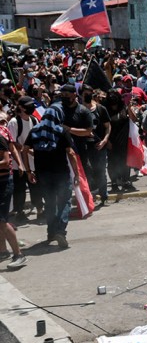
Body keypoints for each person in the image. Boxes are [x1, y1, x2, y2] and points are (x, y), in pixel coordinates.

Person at [23, 105, 79, 249]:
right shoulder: (61, 131)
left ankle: (51, 233)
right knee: (64, 201)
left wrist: (28, 170)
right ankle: (60, 231)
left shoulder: (35, 130)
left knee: (49, 203)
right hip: (61, 173)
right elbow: (71, 153)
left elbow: (24, 150)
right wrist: (77, 173)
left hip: (43, 174)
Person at [8, 96, 40, 222]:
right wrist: (27, 150)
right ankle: (20, 211)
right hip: (19, 163)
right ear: (20, 107)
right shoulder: (14, 122)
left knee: (36, 187)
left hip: (33, 161)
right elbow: (13, 142)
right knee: (20, 189)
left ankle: (39, 208)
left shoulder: (34, 120)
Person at [81, 85, 111, 205]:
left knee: (101, 171)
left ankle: (104, 196)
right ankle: (90, 196)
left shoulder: (100, 109)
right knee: (87, 172)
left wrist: (105, 140)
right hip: (84, 147)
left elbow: (108, 127)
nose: (86, 96)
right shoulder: (79, 110)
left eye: (89, 93)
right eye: (84, 94)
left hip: (99, 146)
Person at [0, 127, 25, 268]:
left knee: (2, 221)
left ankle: (19, 254)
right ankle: (2, 251)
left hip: (3, 183)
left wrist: (19, 164)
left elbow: (5, 160)